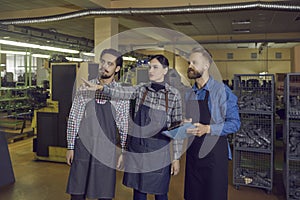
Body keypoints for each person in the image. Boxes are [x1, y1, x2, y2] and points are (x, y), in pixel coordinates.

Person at [85, 54, 183, 200]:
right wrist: (101, 88)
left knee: (161, 193)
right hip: (138, 150)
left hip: (159, 154)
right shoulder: (141, 90)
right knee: (138, 192)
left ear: (165, 70)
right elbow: (121, 92)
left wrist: (176, 157)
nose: (151, 70)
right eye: (150, 67)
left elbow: (177, 129)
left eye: (155, 67)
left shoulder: (174, 95)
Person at [65, 48, 130, 200]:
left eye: (110, 63)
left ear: (117, 68)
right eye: (102, 62)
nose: (105, 66)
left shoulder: (120, 93)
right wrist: (70, 146)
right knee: (78, 192)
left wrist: (124, 152)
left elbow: (123, 124)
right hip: (83, 147)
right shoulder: (85, 88)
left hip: (106, 149)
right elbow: (74, 118)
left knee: (104, 192)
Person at [184, 47, 241, 200]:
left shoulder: (221, 91)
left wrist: (208, 128)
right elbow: (188, 120)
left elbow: (235, 123)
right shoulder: (189, 93)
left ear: (206, 65)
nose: (190, 66)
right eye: (189, 62)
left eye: (194, 62)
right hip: (193, 154)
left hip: (214, 157)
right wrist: (185, 124)